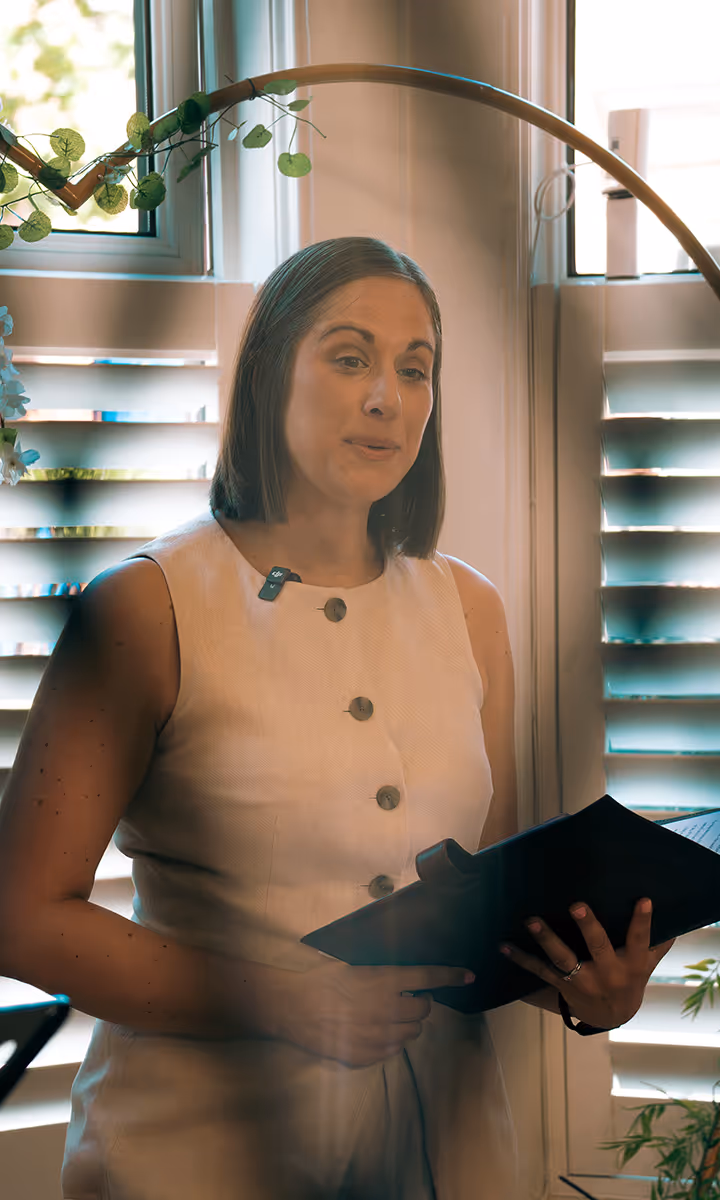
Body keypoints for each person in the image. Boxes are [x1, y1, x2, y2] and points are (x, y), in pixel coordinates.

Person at [0, 237, 673, 1200]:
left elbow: (492, 906)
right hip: (197, 1152)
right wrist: (283, 999)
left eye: (415, 367)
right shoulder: (143, 609)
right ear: (271, 371)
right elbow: (23, 919)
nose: (385, 398)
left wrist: (589, 989)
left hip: (450, 1148)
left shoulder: (470, 612)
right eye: (349, 356)